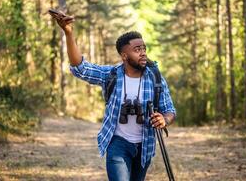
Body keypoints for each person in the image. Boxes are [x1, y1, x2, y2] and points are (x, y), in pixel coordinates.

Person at [50, 11, 176, 181]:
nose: (143, 53)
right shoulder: (111, 75)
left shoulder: (155, 78)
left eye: (144, 49)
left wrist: (164, 120)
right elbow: (81, 68)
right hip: (118, 143)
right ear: (124, 55)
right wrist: (68, 32)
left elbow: (169, 110)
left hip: (145, 145)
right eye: (137, 49)